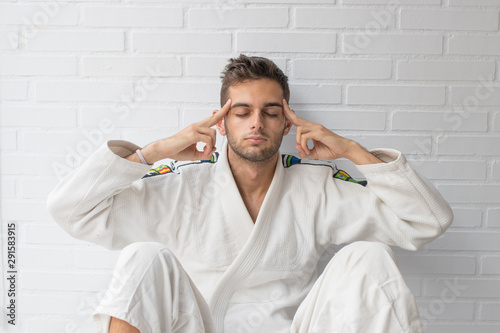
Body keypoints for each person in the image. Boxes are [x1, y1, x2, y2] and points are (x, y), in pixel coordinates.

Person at [47, 54, 453, 333]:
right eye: (241, 112)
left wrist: (351, 151)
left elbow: (426, 221)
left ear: (287, 123)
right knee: (143, 256)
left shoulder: (316, 187)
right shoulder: (182, 186)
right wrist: (155, 152)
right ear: (220, 122)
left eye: (270, 112)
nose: (256, 123)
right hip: (199, 326)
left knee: (371, 257)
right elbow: (71, 209)